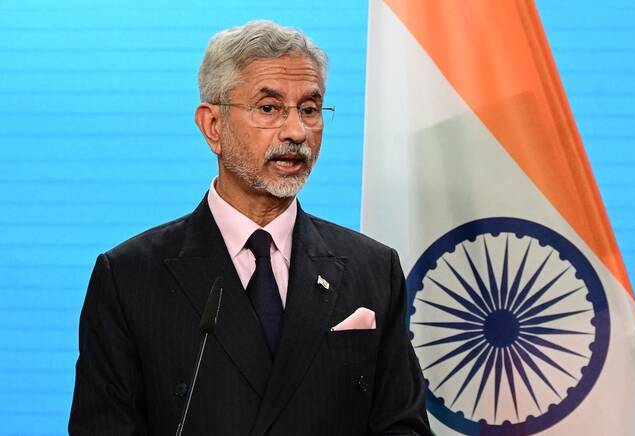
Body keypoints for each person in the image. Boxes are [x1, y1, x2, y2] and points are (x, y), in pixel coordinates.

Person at [69, 20, 430, 435]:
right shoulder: (129, 278)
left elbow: (403, 427)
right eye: (269, 108)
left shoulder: (373, 269)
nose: (296, 132)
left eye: (309, 109)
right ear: (213, 126)